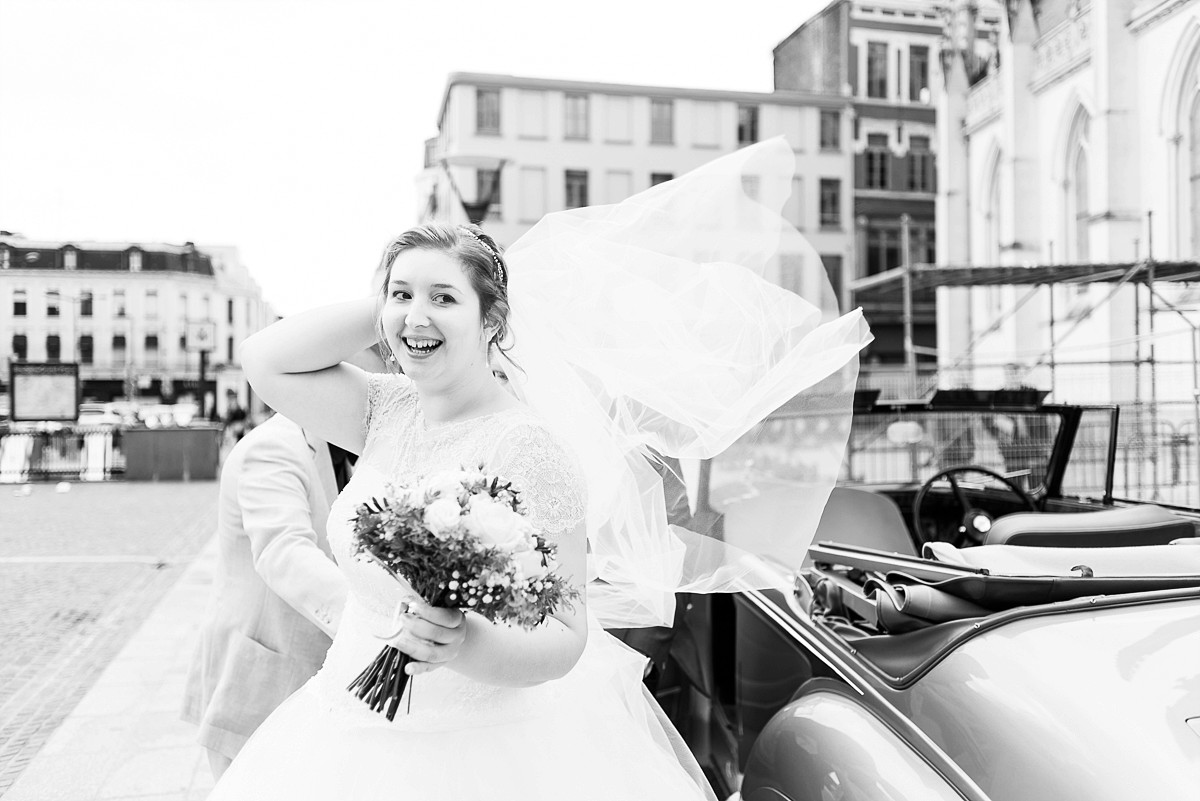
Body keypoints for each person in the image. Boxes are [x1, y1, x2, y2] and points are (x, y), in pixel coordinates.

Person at [208, 139, 869, 800]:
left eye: (445, 299)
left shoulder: (530, 448)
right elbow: (266, 360)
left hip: (483, 750)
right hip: (347, 725)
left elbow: (564, 634)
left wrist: (463, 642)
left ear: (493, 318)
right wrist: (403, 292)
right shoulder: (383, 408)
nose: (417, 315)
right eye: (401, 295)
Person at [183, 348, 384, 779]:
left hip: (310, 677)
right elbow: (283, 551)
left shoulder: (347, 450)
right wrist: (377, 625)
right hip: (258, 674)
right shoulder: (274, 447)